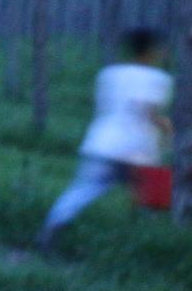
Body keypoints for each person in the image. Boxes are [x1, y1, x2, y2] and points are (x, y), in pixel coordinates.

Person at [36, 28, 173, 252]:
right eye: (161, 48)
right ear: (151, 50)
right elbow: (149, 113)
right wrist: (168, 128)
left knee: (82, 191)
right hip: (138, 150)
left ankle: (51, 229)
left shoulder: (110, 73)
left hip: (102, 143)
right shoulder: (158, 79)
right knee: (152, 200)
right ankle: (153, 248)